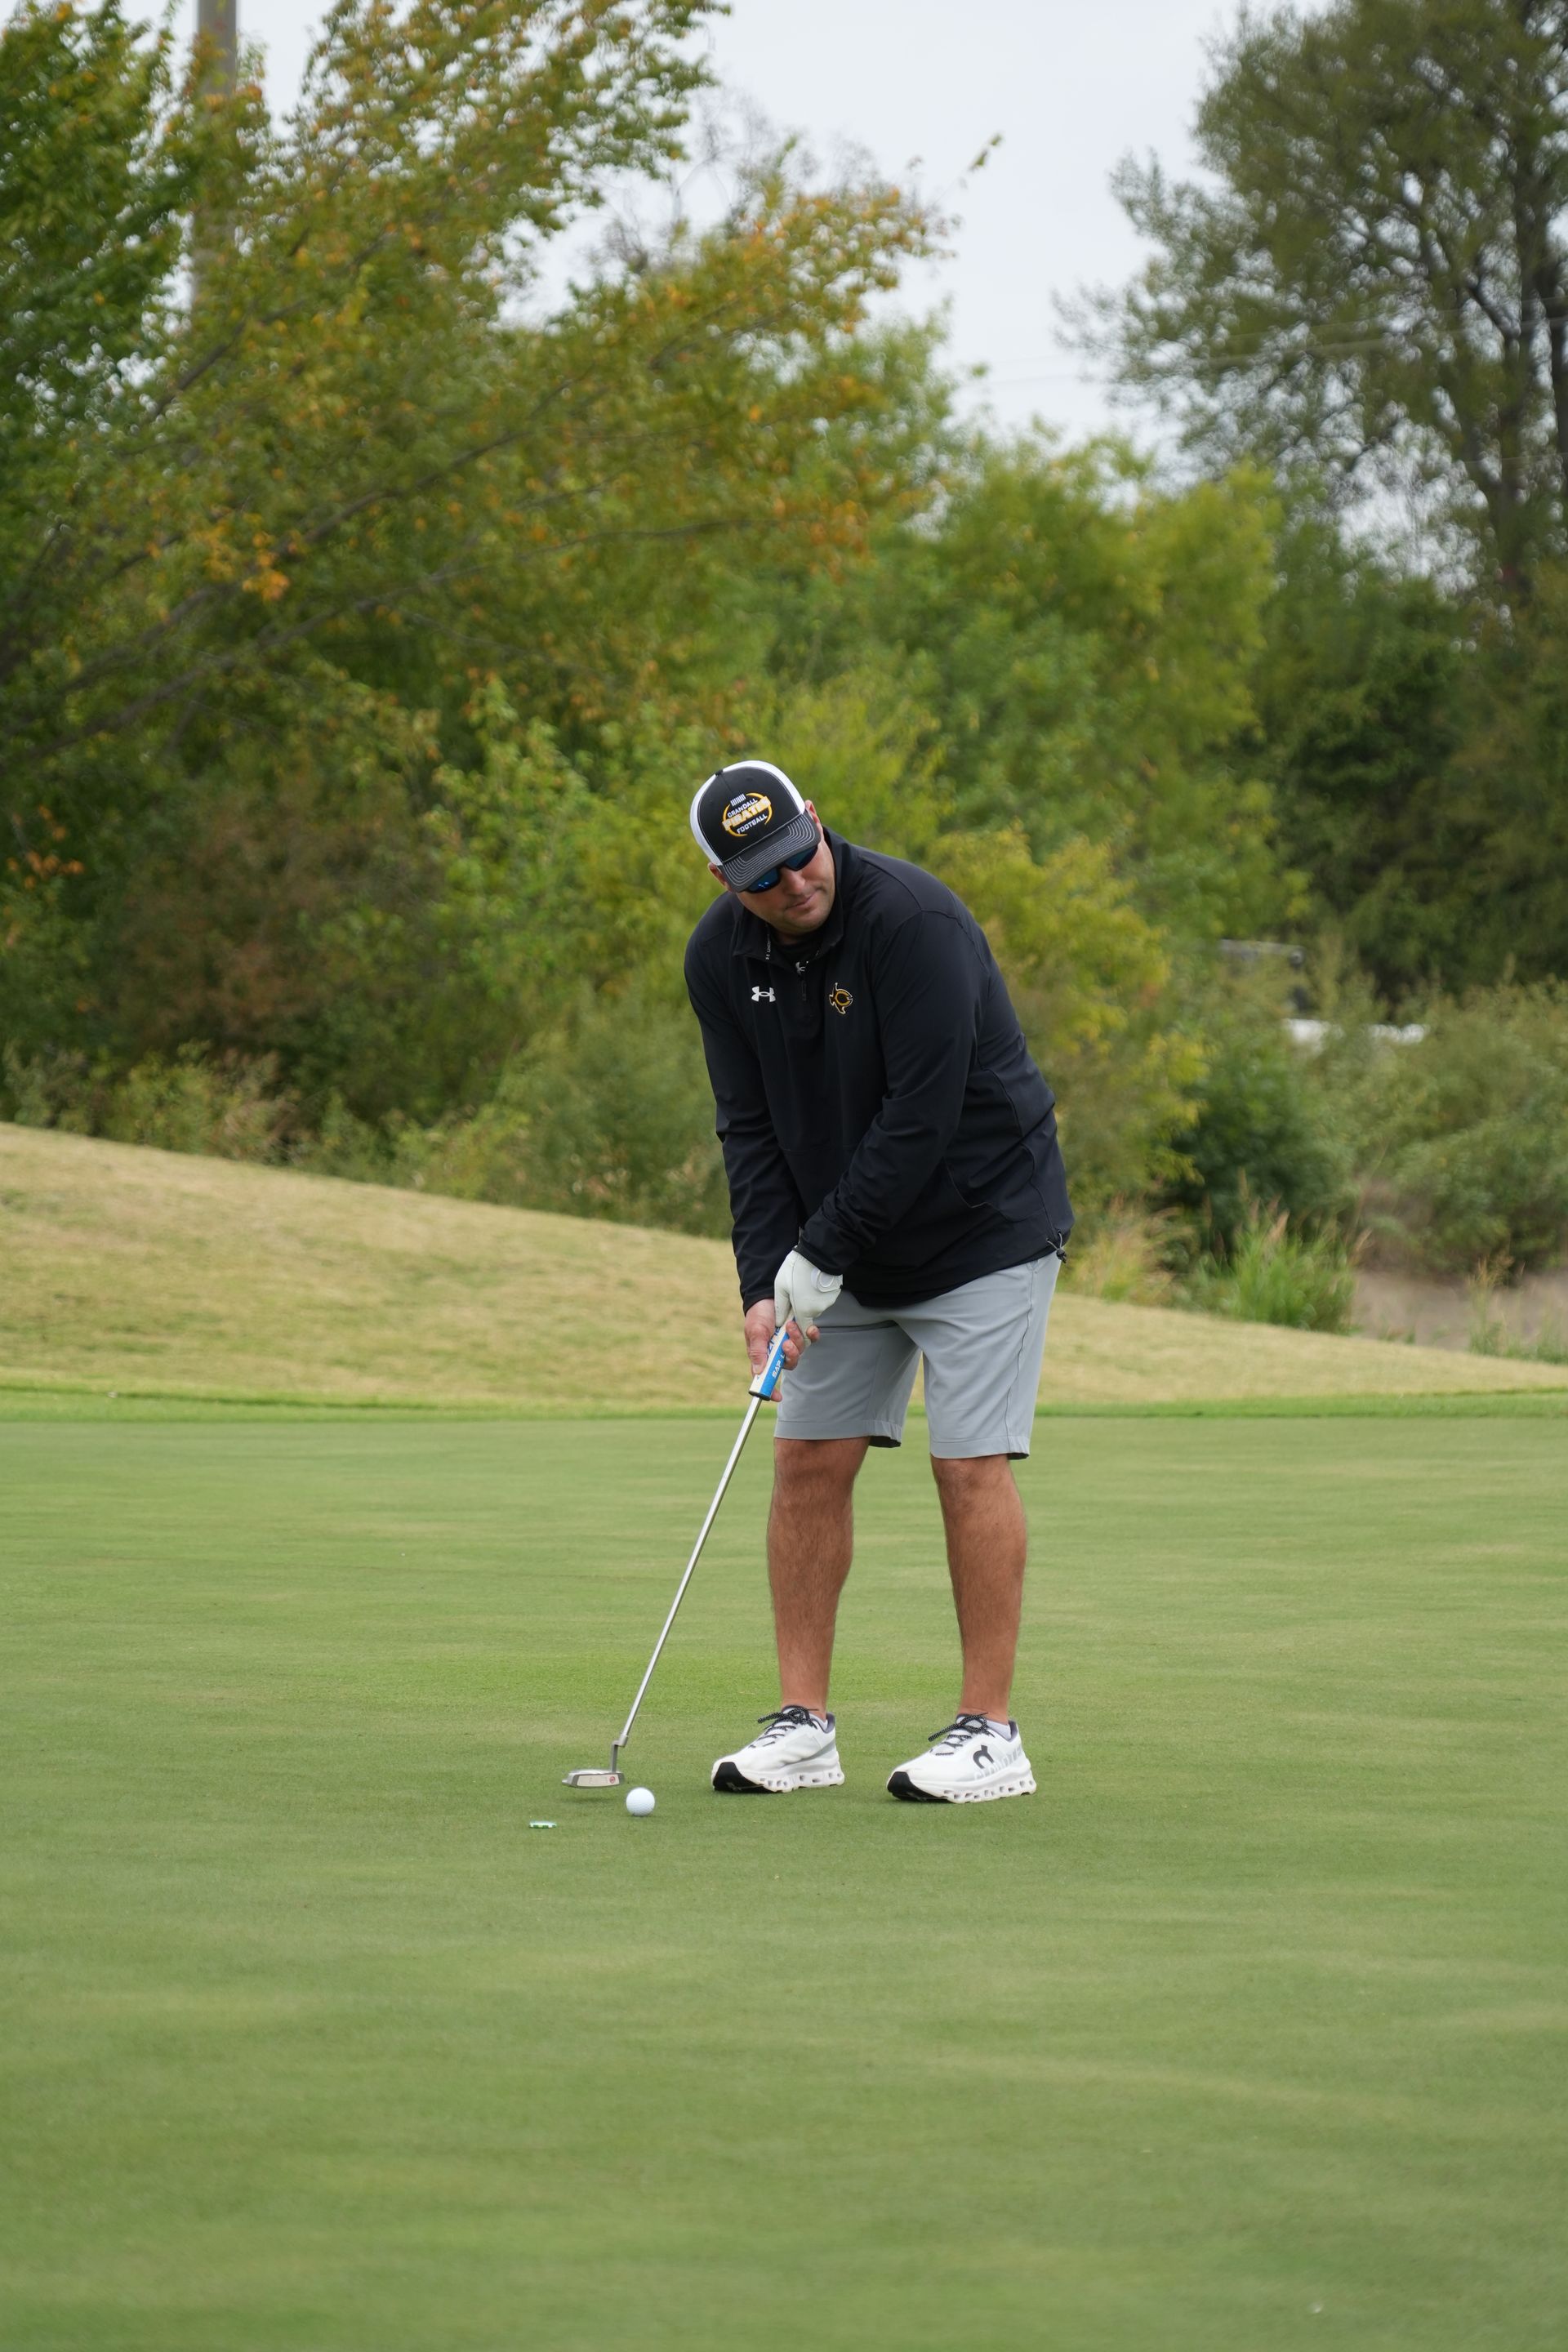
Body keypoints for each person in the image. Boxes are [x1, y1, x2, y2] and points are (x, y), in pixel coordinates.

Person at [684, 760, 1073, 1803]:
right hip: (836, 1241)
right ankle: (803, 1726)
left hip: (982, 1225)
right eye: (763, 877)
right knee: (807, 1457)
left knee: (967, 1465)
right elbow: (749, 1128)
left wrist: (819, 1253)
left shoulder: (914, 923)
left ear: (818, 821)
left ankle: (990, 1733)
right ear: (727, 882)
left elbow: (922, 1118)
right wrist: (763, 1283)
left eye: (800, 855)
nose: (795, 884)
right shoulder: (719, 960)